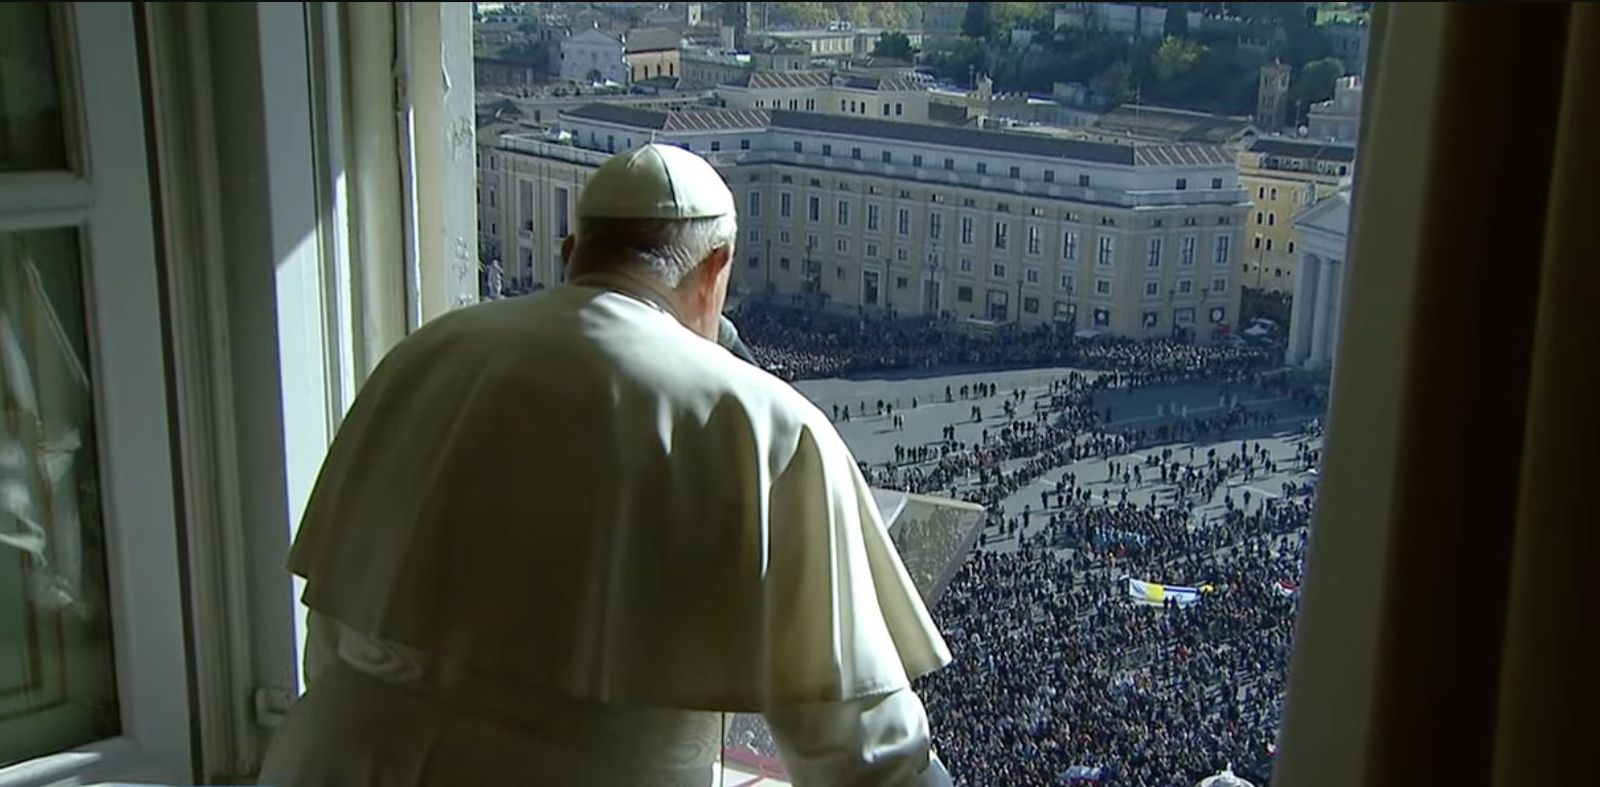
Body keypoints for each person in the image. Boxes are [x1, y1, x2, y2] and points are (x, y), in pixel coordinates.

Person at [259, 144, 954, 786]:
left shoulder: (423, 355)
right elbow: (864, 753)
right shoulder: (763, 423)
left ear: (571, 251)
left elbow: (332, 633)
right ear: (715, 271)